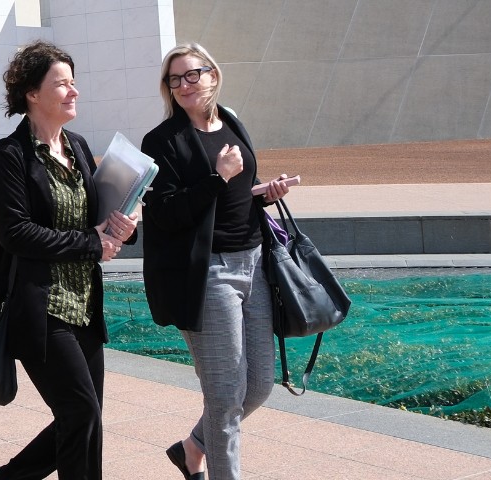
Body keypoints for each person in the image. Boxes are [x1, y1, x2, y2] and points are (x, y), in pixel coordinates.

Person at [0, 40, 135, 480]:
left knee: (85, 418)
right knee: (81, 411)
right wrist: (93, 242)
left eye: (74, 82)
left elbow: (99, 218)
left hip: (84, 304)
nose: (74, 91)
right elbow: (16, 234)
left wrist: (124, 227)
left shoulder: (80, 147)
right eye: (61, 84)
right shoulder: (10, 156)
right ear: (33, 93)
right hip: (38, 308)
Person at [139, 42, 293, 480]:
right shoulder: (162, 141)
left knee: (259, 386)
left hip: (254, 263)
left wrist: (265, 192)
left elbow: (239, 192)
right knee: (225, 397)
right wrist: (216, 178)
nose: (185, 85)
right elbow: (165, 212)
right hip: (207, 273)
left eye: (193, 74)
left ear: (213, 75)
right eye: (175, 79)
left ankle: (192, 448)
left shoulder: (234, 123)